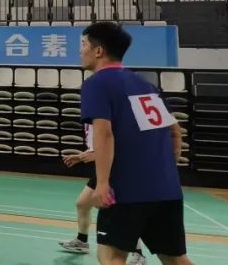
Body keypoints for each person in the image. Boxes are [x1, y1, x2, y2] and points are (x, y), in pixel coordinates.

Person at [79, 22, 191, 265]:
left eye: (83, 44)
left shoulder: (97, 83)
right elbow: (175, 131)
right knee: (175, 258)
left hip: (126, 190)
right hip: (167, 189)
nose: (80, 50)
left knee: (111, 255)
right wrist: (166, 168)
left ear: (98, 51)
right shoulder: (145, 85)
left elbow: (104, 133)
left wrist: (102, 183)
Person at [59, 140, 147, 264]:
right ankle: (82, 241)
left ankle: (139, 254)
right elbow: (97, 146)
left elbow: (123, 146)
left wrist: (97, 155)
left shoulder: (109, 127)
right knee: (82, 204)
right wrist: (81, 157)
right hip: (104, 169)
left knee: (122, 215)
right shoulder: (92, 128)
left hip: (119, 170)